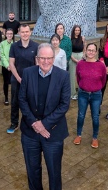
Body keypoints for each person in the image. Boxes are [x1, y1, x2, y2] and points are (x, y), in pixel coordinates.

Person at [19, 43, 70, 190]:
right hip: (30, 133)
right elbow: (22, 100)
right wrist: (34, 123)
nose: (45, 61)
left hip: (53, 134)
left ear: (53, 59)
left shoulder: (63, 76)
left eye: (49, 58)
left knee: (54, 173)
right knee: (32, 171)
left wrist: (44, 124)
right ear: (36, 59)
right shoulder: (28, 73)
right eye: (42, 58)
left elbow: (64, 105)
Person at [73, 43, 107, 149]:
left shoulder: (101, 65)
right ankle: (79, 135)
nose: (91, 52)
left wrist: (95, 88)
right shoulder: (80, 64)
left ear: (96, 52)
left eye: (93, 50)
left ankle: (95, 137)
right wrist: (83, 86)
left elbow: (103, 80)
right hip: (83, 93)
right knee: (81, 115)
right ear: (85, 51)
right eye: (89, 50)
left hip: (96, 94)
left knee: (95, 117)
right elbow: (78, 78)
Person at [8, 24, 39, 134]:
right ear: (19, 33)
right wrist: (19, 78)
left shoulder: (35, 46)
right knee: (15, 102)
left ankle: (30, 123)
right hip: (16, 79)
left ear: (30, 33)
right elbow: (11, 64)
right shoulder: (14, 46)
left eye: (27, 32)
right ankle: (14, 123)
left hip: (31, 81)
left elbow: (37, 64)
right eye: (23, 32)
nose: (25, 34)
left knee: (31, 102)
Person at [69, 25, 85, 100]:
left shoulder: (82, 38)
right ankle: (73, 94)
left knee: (81, 76)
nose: (77, 32)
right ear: (73, 31)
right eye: (76, 30)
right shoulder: (70, 38)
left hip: (81, 56)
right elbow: (69, 50)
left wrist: (83, 58)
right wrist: (74, 59)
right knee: (72, 75)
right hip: (73, 56)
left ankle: (81, 92)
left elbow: (84, 49)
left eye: (78, 30)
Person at [0, 29, 14, 105]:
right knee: (6, 82)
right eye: (8, 34)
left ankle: (13, 97)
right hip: (5, 66)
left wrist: (12, 65)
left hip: (13, 66)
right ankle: (6, 97)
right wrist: (7, 65)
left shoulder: (15, 44)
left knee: (13, 82)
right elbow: (2, 55)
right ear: (5, 34)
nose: (9, 35)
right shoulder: (2, 43)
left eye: (11, 34)